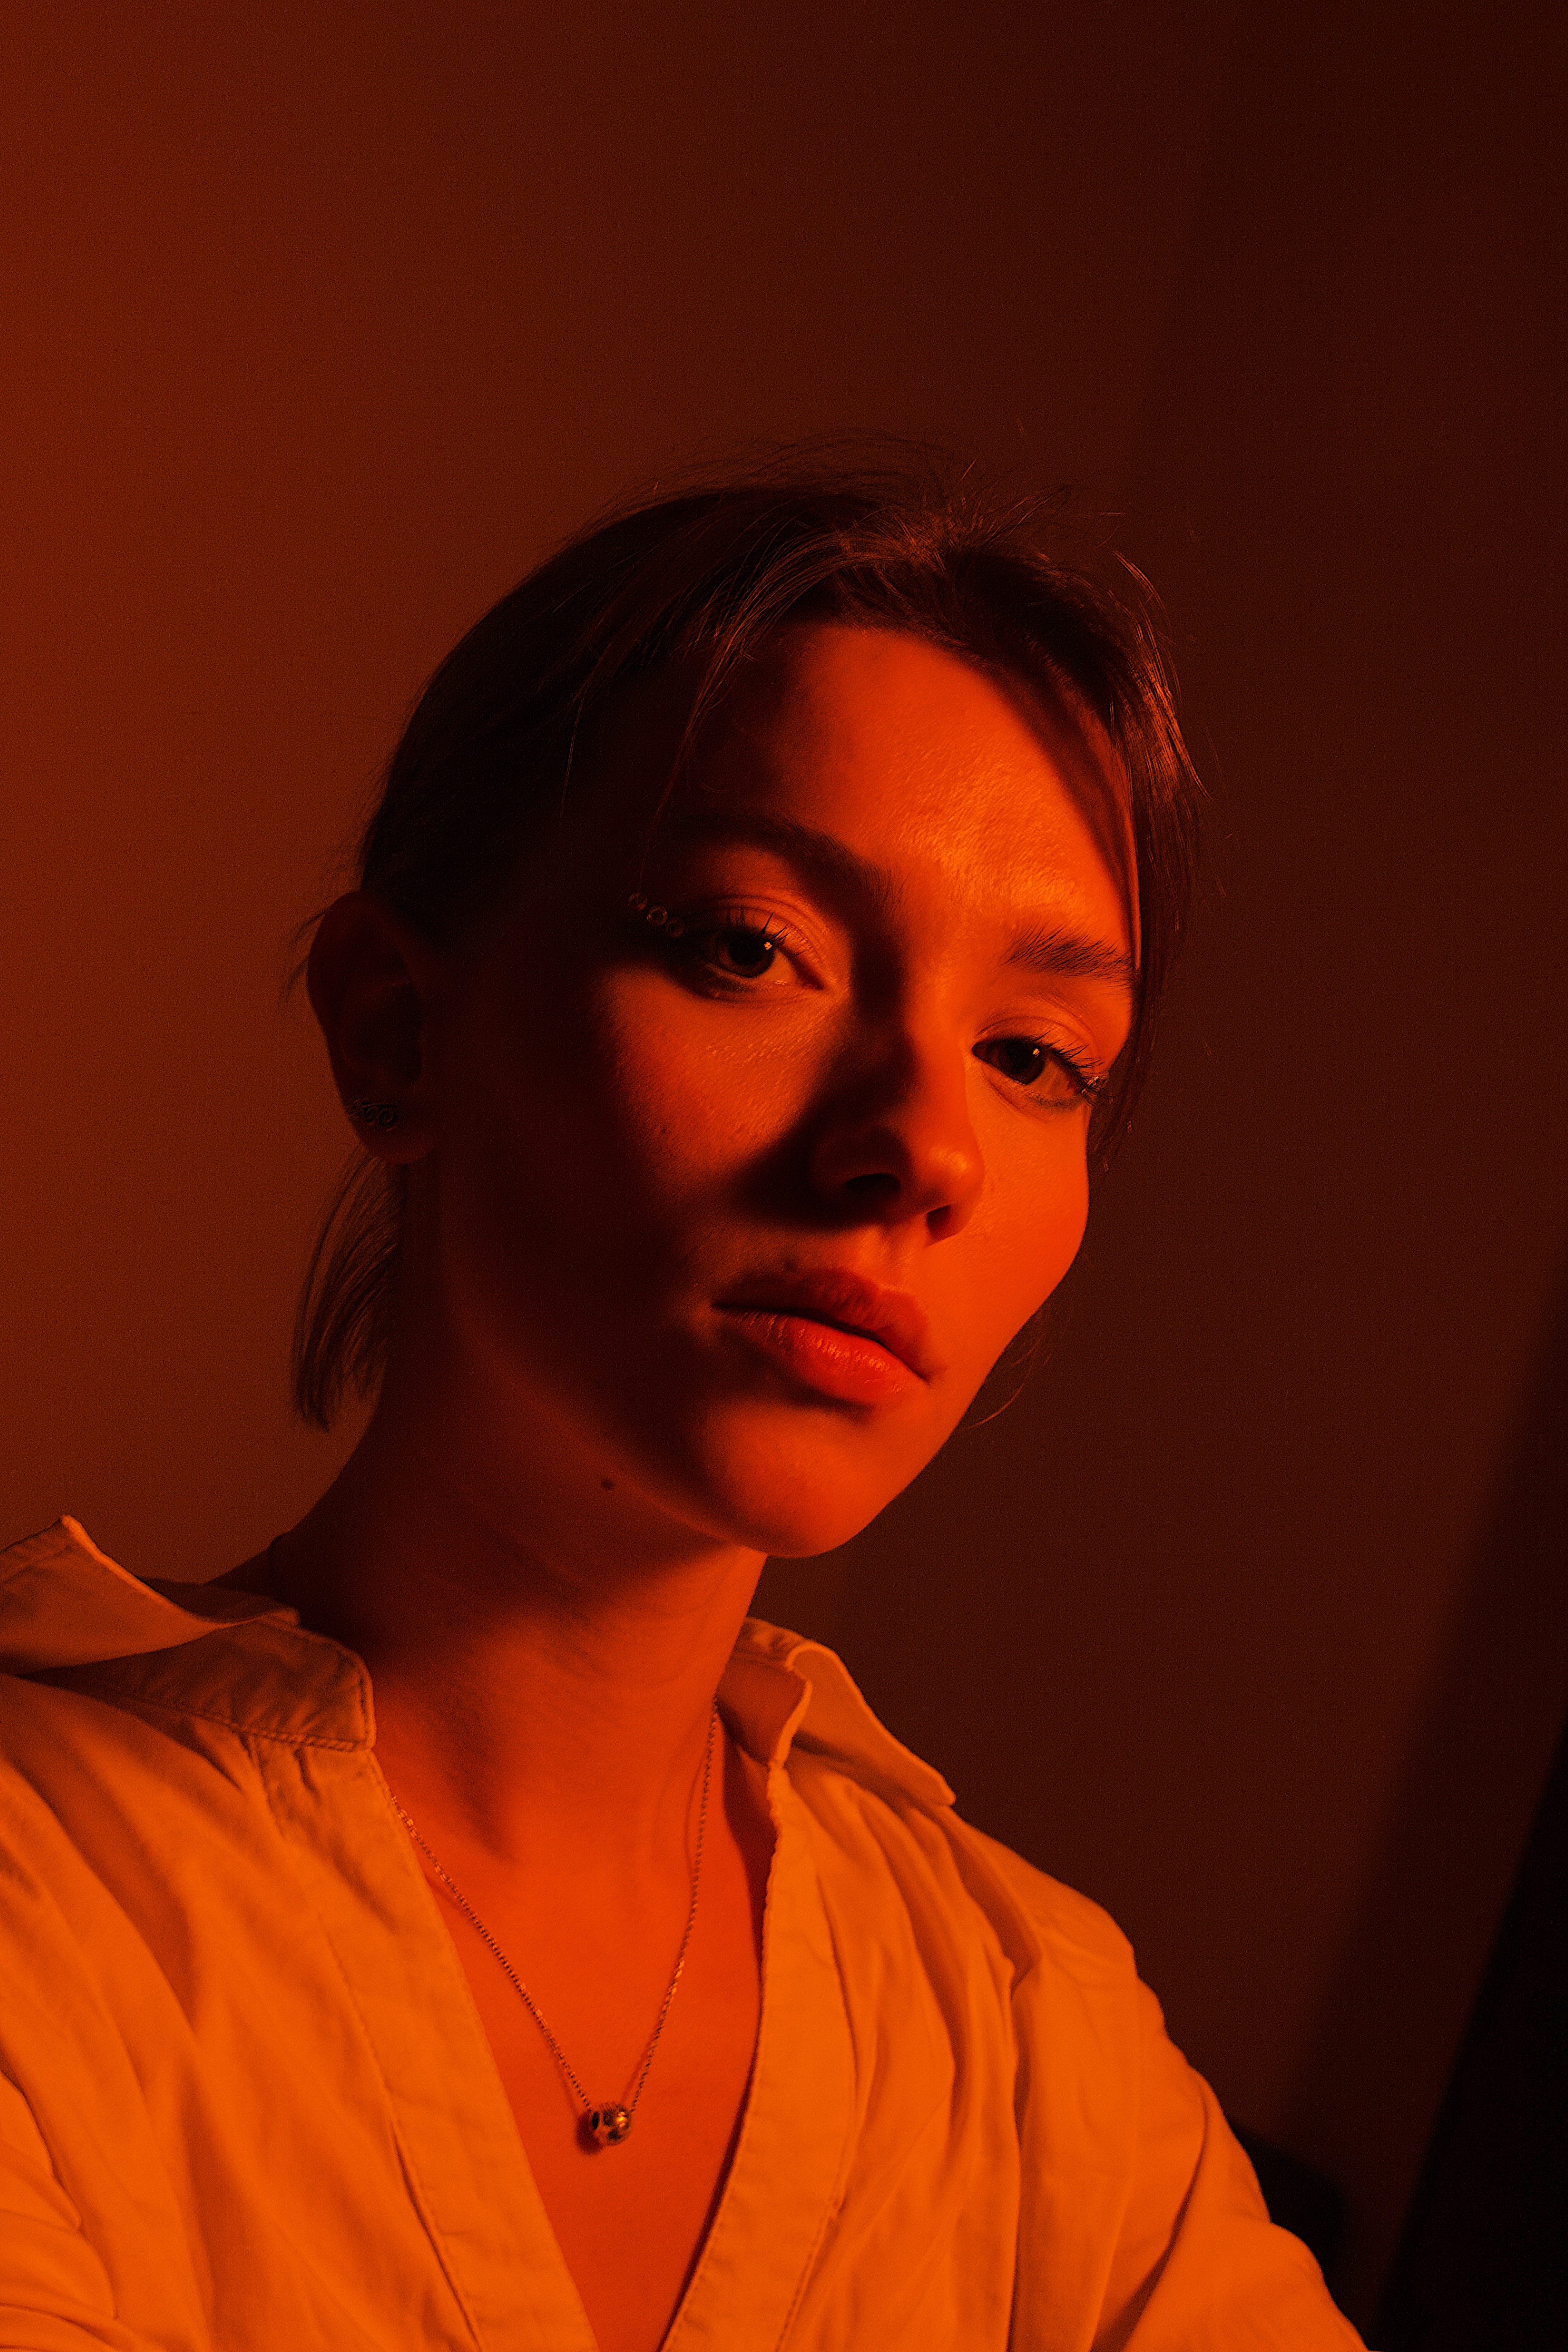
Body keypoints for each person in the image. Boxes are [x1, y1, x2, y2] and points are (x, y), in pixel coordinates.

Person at [0, 456, 1364, 2350]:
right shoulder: (52, 1901)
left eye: (1035, 1054)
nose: (922, 1147)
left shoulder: (1031, 2037)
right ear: (400, 1027)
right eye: (753, 950)